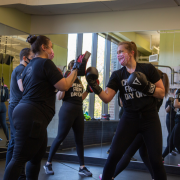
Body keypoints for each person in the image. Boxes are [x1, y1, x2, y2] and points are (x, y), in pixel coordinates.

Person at [3, 35, 85, 180]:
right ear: (44, 47)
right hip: (32, 116)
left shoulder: (30, 66)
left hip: (31, 115)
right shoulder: (45, 63)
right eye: (51, 46)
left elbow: (49, 88)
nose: (52, 50)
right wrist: (76, 70)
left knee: (36, 158)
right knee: (18, 158)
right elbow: (65, 85)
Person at [86, 41, 167, 180]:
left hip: (150, 119)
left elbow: (161, 93)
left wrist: (146, 87)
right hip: (129, 118)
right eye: (117, 52)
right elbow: (107, 98)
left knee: (156, 160)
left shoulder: (148, 69)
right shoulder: (117, 75)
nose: (118, 55)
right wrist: (94, 85)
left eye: (121, 52)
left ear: (131, 53)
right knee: (113, 156)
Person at [100, 69, 169, 180]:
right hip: (145, 124)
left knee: (129, 152)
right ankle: (154, 176)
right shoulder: (158, 93)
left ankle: (112, 175)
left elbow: (129, 104)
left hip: (147, 125)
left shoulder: (155, 93)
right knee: (143, 153)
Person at [44, 60, 92, 177]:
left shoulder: (79, 81)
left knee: (79, 140)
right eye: (78, 68)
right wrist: (64, 85)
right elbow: (59, 97)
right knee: (60, 137)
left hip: (78, 111)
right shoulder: (65, 77)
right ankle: (48, 163)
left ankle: (82, 167)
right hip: (67, 111)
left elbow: (79, 98)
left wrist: (88, 90)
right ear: (72, 67)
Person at [5, 48, 34, 179]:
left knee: (19, 141)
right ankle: (10, 171)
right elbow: (22, 88)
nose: (33, 59)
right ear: (25, 58)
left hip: (19, 107)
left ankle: (18, 172)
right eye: (31, 57)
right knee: (15, 140)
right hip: (15, 107)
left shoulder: (24, 69)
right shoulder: (20, 69)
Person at [162, 88, 180, 165]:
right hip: (176, 120)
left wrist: (176, 95)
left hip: (179, 121)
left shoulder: (176, 98)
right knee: (171, 143)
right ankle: (161, 158)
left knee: (175, 142)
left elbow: (176, 105)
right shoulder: (170, 100)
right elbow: (168, 109)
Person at [165, 88, 177, 156]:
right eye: (175, 93)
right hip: (170, 119)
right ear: (173, 93)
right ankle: (169, 149)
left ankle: (173, 148)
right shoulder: (170, 99)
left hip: (176, 119)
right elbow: (166, 110)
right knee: (170, 133)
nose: (176, 94)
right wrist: (170, 104)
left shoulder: (178, 100)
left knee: (175, 134)